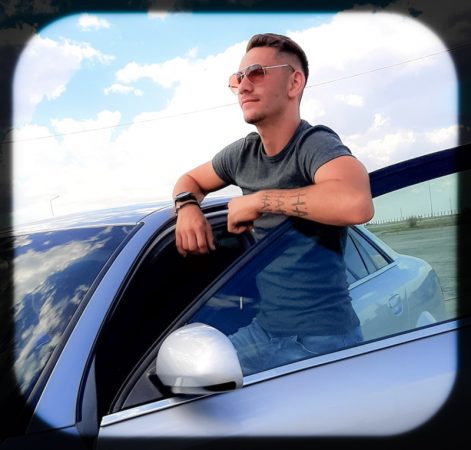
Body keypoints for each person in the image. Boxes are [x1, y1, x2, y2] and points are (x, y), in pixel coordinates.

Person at [172, 33, 374, 374]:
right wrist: (187, 207)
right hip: (264, 331)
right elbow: (189, 181)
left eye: (256, 73)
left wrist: (261, 200)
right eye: (238, 78)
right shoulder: (243, 154)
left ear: (294, 83)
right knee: (183, 376)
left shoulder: (313, 144)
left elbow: (356, 203)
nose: (243, 86)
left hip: (323, 340)